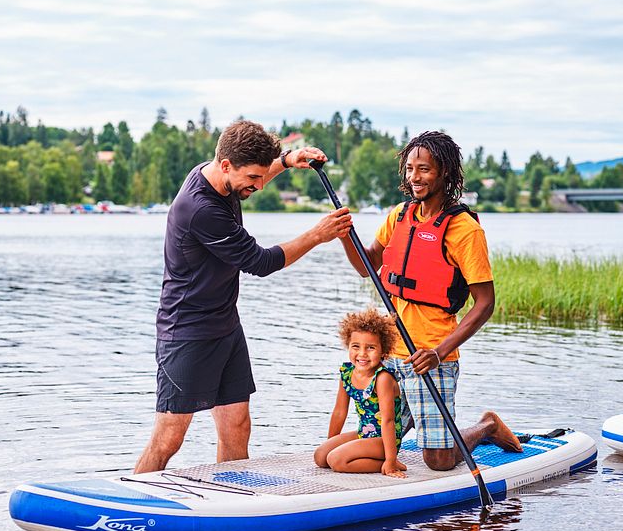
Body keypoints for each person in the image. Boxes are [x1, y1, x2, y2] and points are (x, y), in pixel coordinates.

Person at [134, 120, 352, 474]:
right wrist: (318, 234)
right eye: (253, 178)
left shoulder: (220, 174)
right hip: (186, 332)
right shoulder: (201, 209)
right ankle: (130, 506)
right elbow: (261, 262)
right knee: (169, 438)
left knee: (237, 425)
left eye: (262, 176)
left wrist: (288, 158)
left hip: (225, 327)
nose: (259, 185)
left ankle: (232, 500)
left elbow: (253, 171)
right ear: (225, 166)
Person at [339, 130, 523, 471]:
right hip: (390, 355)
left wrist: (438, 353)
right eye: (409, 169)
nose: (414, 178)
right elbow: (367, 266)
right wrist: (344, 235)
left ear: (445, 173)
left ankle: (488, 426)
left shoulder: (465, 230)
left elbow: (485, 304)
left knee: (439, 461)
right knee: (382, 440)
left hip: (432, 355)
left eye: (423, 169)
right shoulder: (399, 216)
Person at [314, 308, 406, 478]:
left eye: (370, 348)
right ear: (347, 345)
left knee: (337, 461)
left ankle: (387, 462)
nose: (362, 354)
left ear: (383, 351)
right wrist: (331, 444)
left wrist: (391, 459)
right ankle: (381, 459)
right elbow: (339, 412)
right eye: (356, 346)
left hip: (385, 440)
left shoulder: (382, 378)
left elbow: (388, 420)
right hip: (364, 433)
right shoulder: (347, 373)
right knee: (321, 457)